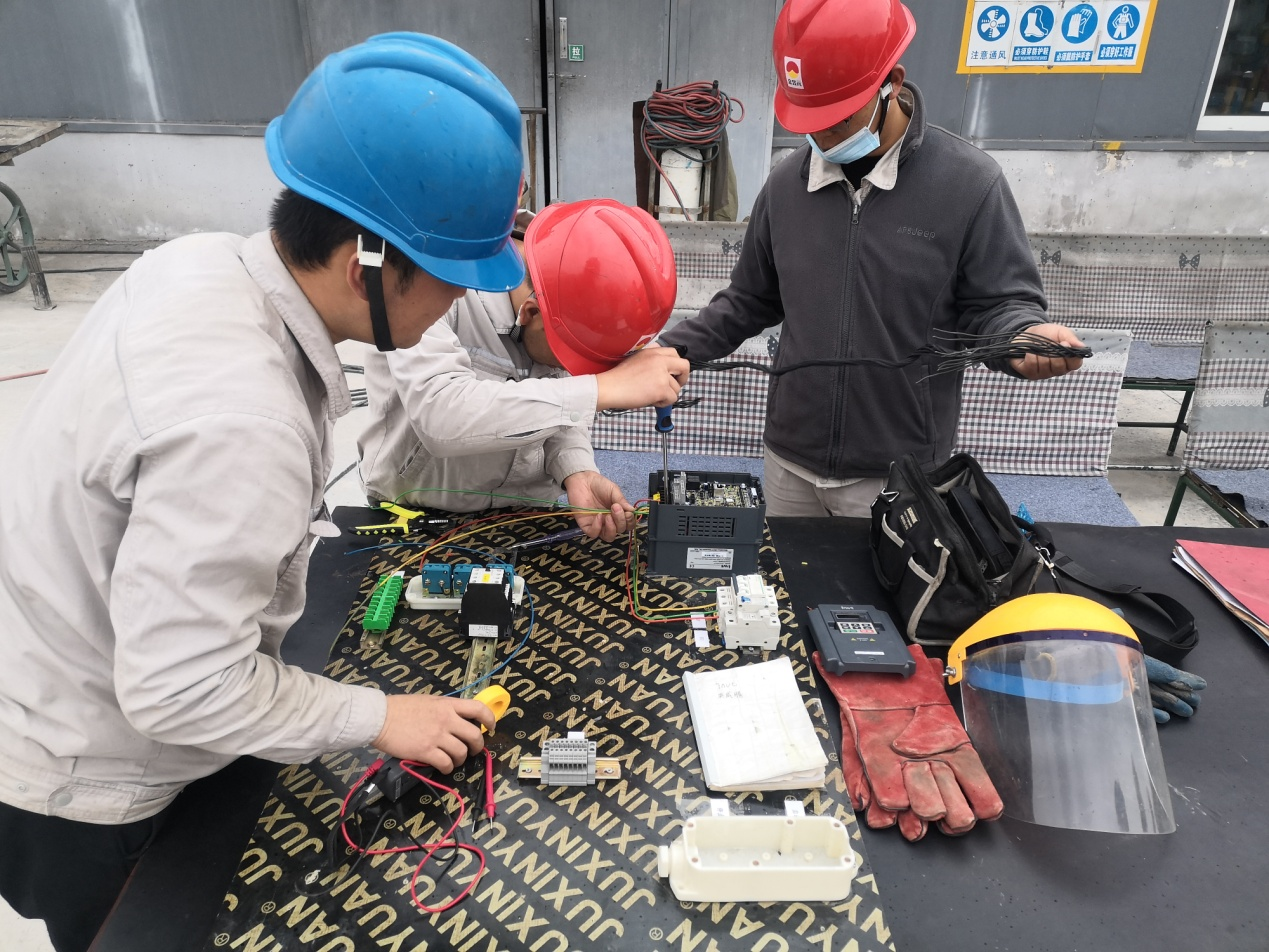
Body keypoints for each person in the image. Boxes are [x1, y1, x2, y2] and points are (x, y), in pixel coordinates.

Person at [0, 34, 522, 952]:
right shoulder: (241, 417)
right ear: (365, 261)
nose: (456, 304)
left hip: (52, 684)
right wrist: (379, 716)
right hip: (90, 784)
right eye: (449, 279)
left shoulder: (202, 262)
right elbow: (181, 688)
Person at [660, 0, 1085, 518]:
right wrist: (669, 350)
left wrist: (1021, 337)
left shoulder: (970, 185)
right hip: (789, 461)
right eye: (810, 121)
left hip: (899, 473)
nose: (822, 138)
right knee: (789, 572)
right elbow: (748, 300)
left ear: (891, 83)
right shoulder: (785, 186)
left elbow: (1000, 304)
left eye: (837, 120)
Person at [358, 198, 689, 542]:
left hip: (523, 517)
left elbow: (561, 408)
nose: (576, 372)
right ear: (530, 313)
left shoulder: (580, 272)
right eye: (571, 360)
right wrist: (602, 388)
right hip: (414, 513)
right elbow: (440, 415)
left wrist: (575, 469)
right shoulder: (438, 275)